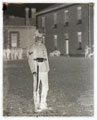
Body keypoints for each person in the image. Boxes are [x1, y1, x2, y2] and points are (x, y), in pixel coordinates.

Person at [27, 30, 50, 112]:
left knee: (46, 87)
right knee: (36, 88)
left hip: (44, 69)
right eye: (38, 37)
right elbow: (30, 59)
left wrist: (47, 67)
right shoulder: (32, 47)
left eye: (41, 37)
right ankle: (36, 106)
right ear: (35, 38)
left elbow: (46, 57)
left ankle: (43, 104)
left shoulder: (43, 46)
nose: (40, 39)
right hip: (36, 69)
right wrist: (33, 70)